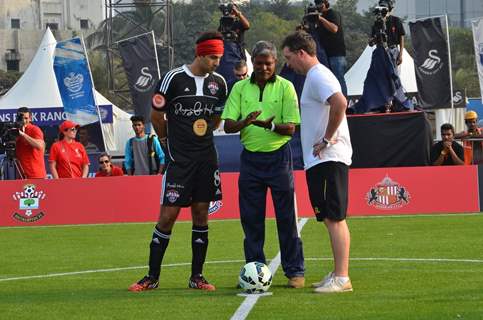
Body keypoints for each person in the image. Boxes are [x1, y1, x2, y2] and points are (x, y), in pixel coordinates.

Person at [128, 31, 227, 292]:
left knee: (201, 215)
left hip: (206, 159)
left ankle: (197, 277)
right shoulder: (172, 79)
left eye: (219, 58)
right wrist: (164, 139)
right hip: (179, 161)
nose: (217, 63)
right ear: (200, 54)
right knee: (168, 216)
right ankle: (152, 277)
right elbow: (157, 116)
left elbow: (216, 119)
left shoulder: (219, 83)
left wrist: (203, 130)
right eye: (213, 58)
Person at [222, 41, 305, 289]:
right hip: (250, 160)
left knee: (287, 218)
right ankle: (253, 271)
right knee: (251, 220)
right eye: (259, 63)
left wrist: (267, 126)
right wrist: (246, 121)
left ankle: (295, 271)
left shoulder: (286, 87)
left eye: (268, 63)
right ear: (252, 63)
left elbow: (291, 128)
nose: (264, 67)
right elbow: (228, 126)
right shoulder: (239, 88)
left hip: (279, 157)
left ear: (275, 63)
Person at [282, 31, 353, 293]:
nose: (288, 64)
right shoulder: (314, 76)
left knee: (335, 217)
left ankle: (342, 278)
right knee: (328, 217)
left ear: (301, 52)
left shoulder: (318, 75)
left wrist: (326, 138)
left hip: (328, 158)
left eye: (289, 57)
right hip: (320, 160)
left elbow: (340, 102)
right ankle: (337, 272)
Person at [314, 0, 347, 97]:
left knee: (338, 78)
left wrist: (320, 19)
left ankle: (344, 103)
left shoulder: (333, 13)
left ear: (325, 3)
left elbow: (334, 29)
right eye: (317, 4)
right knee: (328, 81)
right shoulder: (319, 19)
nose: (318, 6)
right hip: (325, 55)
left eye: (320, 3)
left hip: (337, 54)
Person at [369, 0, 405, 74]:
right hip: (380, 51)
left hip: (393, 51)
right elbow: (372, 40)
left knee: (394, 76)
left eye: (384, 8)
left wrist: (400, 55)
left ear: (389, 9)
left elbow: (401, 37)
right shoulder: (377, 23)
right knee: (381, 76)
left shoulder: (396, 20)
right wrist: (373, 40)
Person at [15, 107, 46, 179]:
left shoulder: (34, 129)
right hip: (20, 174)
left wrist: (22, 134)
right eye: (21, 118)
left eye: (26, 118)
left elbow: (40, 146)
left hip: (35, 174)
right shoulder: (15, 130)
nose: (23, 121)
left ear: (30, 119)